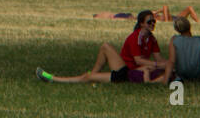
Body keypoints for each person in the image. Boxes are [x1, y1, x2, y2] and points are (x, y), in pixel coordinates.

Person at [37, 10, 167, 84]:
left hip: (127, 74)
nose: (153, 24)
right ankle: (56, 78)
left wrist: (168, 63)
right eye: (149, 22)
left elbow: (158, 58)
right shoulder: (135, 37)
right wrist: (156, 64)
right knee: (105, 47)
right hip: (126, 69)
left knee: (87, 77)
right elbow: (139, 60)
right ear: (141, 24)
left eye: (154, 21)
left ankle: (53, 78)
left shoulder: (151, 39)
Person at [157, 16, 200, 84]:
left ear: (176, 29)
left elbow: (171, 62)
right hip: (197, 74)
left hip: (181, 74)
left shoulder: (174, 40)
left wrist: (165, 81)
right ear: (189, 25)